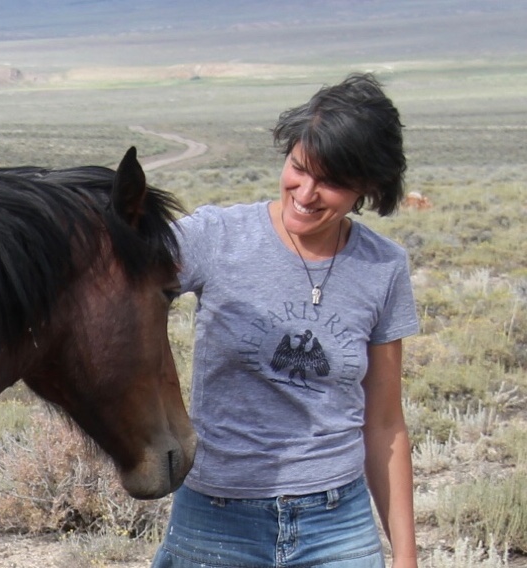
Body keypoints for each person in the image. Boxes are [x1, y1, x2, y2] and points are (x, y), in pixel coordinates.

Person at [152, 73, 419, 568]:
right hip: (216, 516)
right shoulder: (217, 238)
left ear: (368, 187)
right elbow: (114, 274)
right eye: (299, 167)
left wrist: (406, 555)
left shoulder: (384, 267)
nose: (307, 192)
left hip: (338, 523)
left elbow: (385, 423)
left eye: (332, 182)